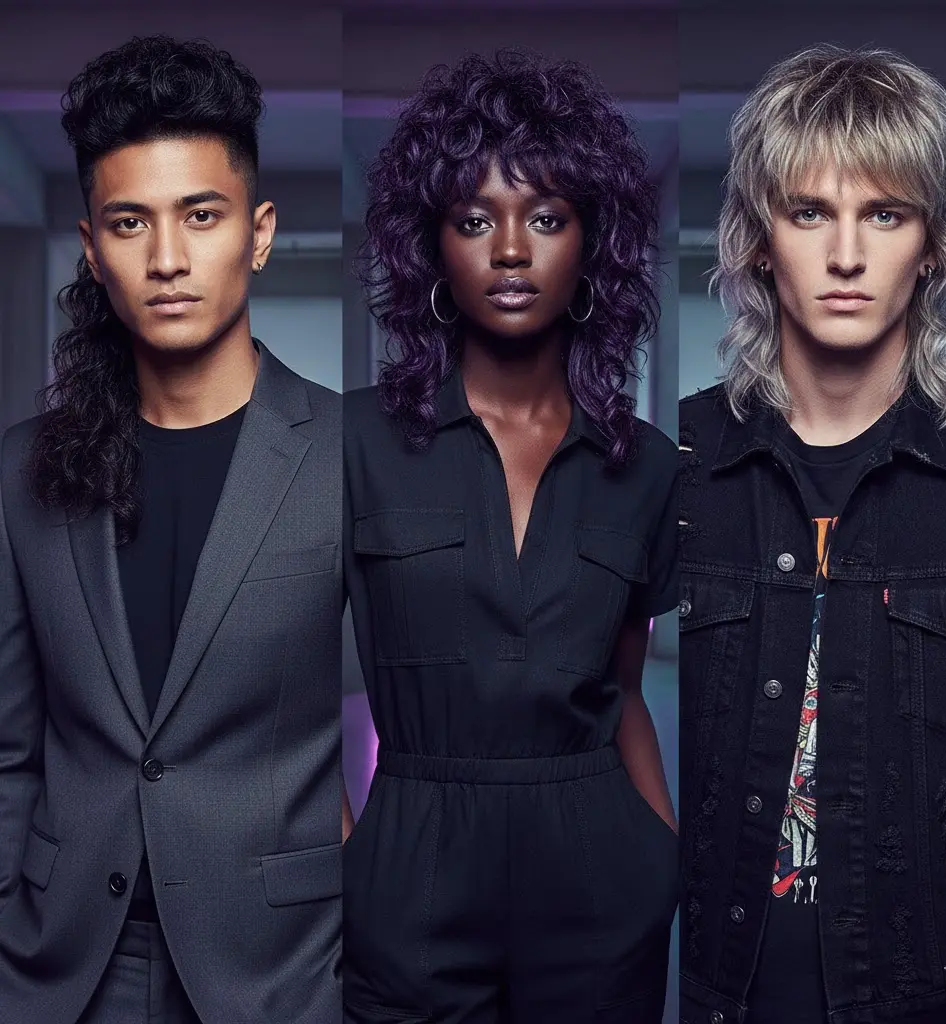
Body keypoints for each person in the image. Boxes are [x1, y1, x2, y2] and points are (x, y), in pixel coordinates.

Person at [0, 36, 343, 1024]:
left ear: (260, 230)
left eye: (200, 215)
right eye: (128, 222)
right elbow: (10, 743)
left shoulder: (346, 455)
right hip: (62, 970)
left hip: (282, 970)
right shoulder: (23, 472)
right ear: (92, 246)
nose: (166, 259)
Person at [678, 44, 946, 1024]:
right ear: (756, 239)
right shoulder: (680, 457)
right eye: (808, 212)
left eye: (884, 213)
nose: (844, 255)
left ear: (932, 245)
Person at [341, 50, 679, 1024]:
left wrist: (660, 850)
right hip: (409, 877)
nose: (510, 251)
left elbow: (622, 691)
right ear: (432, 245)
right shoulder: (348, 443)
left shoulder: (649, 466)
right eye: (474, 218)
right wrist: (347, 856)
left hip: (599, 882)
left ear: (592, 244)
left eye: (545, 217)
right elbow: (270, 686)